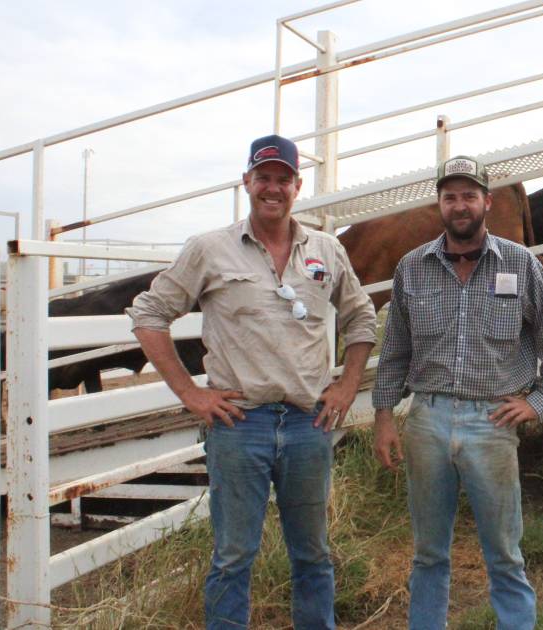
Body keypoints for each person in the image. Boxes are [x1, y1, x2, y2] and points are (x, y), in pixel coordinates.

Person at [127, 134, 377, 629]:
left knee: (313, 555)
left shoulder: (325, 250)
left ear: (296, 186)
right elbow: (148, 313)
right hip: (240, 425)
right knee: (232, 557)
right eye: (263, 177)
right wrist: (190, 393)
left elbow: (361, 316)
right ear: (246, 182)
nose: (273, 188)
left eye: (283, 179)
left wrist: (348, 386)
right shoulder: (209, 249)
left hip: (309, 424)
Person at [371, 155, 543, 629]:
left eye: (469, 195)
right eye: (450, 197)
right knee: (427, 554)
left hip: (492, 423)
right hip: (427, 421)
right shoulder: (412, 269)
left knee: (504, 553)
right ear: (439, 205)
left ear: (486, 201)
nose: (459, 205)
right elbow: (396, 353)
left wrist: (537, 402)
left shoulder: (522, 265)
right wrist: (384, 417)